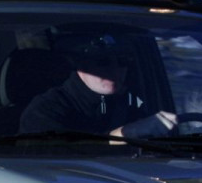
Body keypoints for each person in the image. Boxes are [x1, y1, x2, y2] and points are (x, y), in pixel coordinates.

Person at [19, 34, 177, 138]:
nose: (114, 70)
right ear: (79, 64)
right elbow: (51, 159)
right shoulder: (45, 110)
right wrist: (125, 134)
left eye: (122, 62)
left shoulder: (133, 105)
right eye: (102, 62)